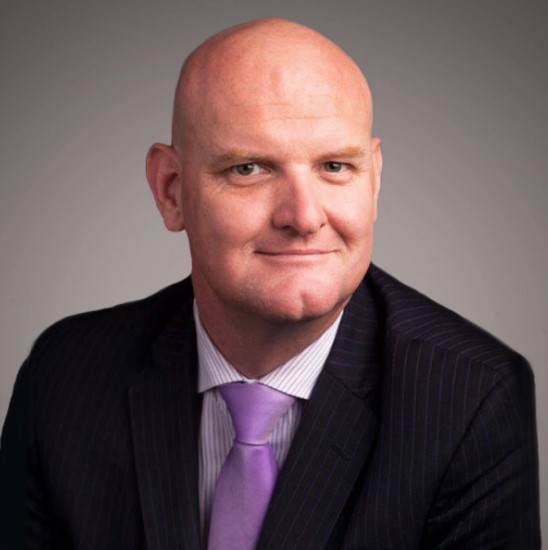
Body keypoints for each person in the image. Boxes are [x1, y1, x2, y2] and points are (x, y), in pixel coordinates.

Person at [0, 18, 540, 550]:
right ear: (171, 190)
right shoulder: (64, 378)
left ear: (374, 181)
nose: (303, 217)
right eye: (249, 169)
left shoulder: (469, 398)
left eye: (335, 166)